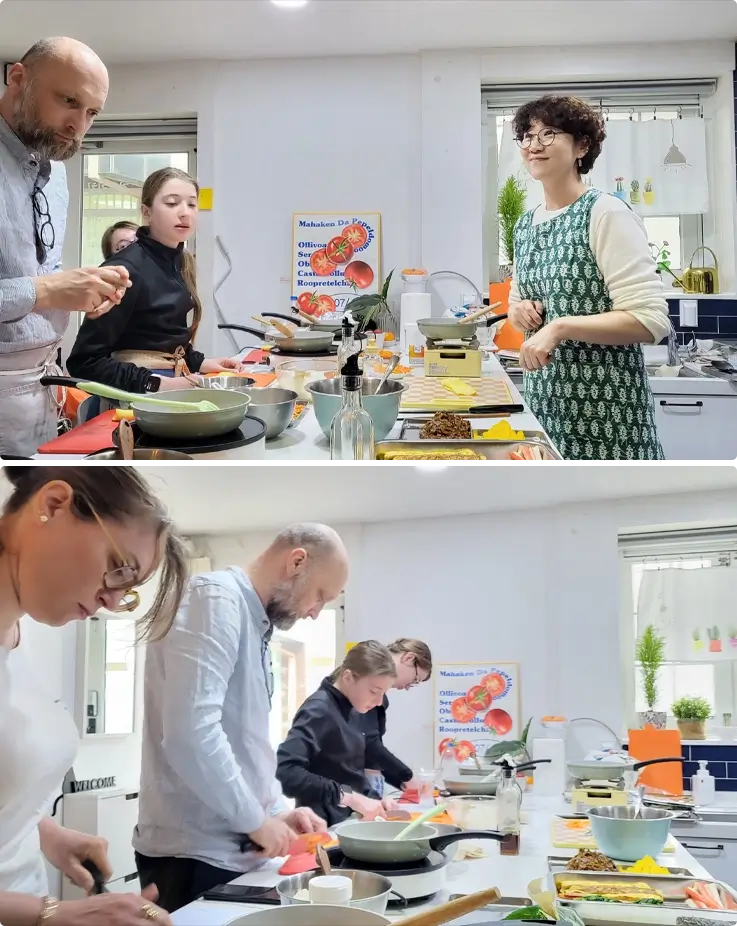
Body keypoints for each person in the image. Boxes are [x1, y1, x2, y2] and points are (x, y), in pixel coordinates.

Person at [0, 464, 189, 926]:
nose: (110, 600)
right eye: (118, 567)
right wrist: (55, 913)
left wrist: (43, 832)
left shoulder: (18, 640)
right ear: (53, 505)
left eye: (128, 590)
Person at [133, 523, 348, 913]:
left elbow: (243, 743)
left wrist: (277, 811)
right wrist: (255, 820)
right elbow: (190, 734)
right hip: (193, 856)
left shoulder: (255, 623)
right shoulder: (215, 600)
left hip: (233, 851)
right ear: (296, 561)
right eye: (320, 595)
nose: (316, 613)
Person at [507, 95, 671, 462]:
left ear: (582, 146)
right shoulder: (525, 225)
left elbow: (650, 319)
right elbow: (516, 302)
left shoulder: (605, 212)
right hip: (546, 412)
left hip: (608, 418)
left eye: (550, 133)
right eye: (528, 136)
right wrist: (520, 314)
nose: (535, 145)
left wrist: (559, 327)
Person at [0, 37, 131, 456]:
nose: (79, 124)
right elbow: (38, 287)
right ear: (18, 78)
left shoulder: (56, 174)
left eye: (92, 112)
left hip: (39, 395)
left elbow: (37, 276)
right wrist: (47, 291)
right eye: (69, 101)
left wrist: (83, 289)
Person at [67, 167, 243, 396]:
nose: (185, 213)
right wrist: (155, 384)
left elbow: (161, 336)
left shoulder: (179, 261)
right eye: (172, 203)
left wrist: (201, 362)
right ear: (146, 212)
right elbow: (84, 362)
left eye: (191, 204)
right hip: (135, 400)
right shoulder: (123, 270)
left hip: (175, 385)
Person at [276, 640, 401, 827]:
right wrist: (350, 798)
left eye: (383, 693)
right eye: (374, 691)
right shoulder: (319, 710)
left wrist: (373, 800)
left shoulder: (355, 708)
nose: (378, 701)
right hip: (321, 827)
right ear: (348, 677)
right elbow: (286, 772)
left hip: (347, 822)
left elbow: (348, 773)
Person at [360, 638, 433, 797]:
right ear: (408, 658)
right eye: (414, 680)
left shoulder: (379, 697)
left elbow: (371, 750)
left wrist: (402, 782)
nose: (408, 687)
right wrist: (407, 776)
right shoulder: (361, 688)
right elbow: (369, 744)